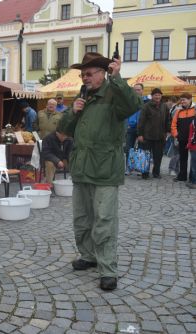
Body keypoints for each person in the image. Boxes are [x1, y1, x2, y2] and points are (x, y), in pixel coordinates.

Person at [59, 52, 141, 291]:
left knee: (104, 220)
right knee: (82, 219)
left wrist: (118, 78)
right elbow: (63, 130)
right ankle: (88, 255)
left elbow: (133, 105)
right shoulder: (83, 96)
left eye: (89, 73)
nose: (85, 78)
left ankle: (108, 268)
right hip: (82, 168)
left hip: (105, 169)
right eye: (82, 74)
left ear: (103, 73)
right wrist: (72, 111)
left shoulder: (114, 92)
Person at [137, 88, 171, 179]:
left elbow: (168, 119)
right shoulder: (146, 106)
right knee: (146, 155)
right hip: (147, 135)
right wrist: (140, 134)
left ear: (161, 96)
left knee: (158, 156)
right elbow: (141, 121)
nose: (157, 96)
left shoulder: (164, 106)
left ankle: (156, 173)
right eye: (155, 95)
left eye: (159, 95)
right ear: (152, 96)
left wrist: (168, 131)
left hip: (160, 136)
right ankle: (145, 173)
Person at [171, 92, 195, 182]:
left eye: (184, 100)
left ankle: (193, 177)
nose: (182, 101)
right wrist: (176, 135)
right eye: (181, 100)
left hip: (193, 139)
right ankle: (182, 176)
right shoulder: (178, 111)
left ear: (190, 99)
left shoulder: (195, 109)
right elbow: (173, 124)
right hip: (182, 138)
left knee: (194, 159)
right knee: (183, 158)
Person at [124, 84, 142, 175]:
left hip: (141, 129)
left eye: (138, 90)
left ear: (142, 91)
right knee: (128, 148)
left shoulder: (145, 102)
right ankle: (128, 167)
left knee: (140, 149)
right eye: (135, 90)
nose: (136, 91)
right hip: (130, 128)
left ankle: (139, 168)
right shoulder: (128, 102)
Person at [186, 118, 196, 189]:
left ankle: (194, 182)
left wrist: (189, 143)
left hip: (194, 146)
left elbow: (192, 134)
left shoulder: (194, 121)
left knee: (194, 165)